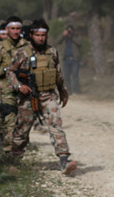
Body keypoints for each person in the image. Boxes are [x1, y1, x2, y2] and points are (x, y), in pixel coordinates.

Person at [7, 18, 75, 173]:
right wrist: (19, 86)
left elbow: (58, 73)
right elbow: (10, 72)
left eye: (43, 35)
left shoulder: (52, 52)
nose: (40, 38)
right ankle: (14, 161)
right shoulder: (22, 52)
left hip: (48, 95)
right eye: (37, 35)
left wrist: (63, 91)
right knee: (22, 130)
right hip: (28, 97)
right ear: (31, 35)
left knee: (55, 125)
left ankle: (64, 159)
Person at [0, 16, 28, 153]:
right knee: (9, 120)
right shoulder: (0, 47)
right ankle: (10, 151)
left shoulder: (27, 46)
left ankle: (18, 148)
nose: (15, 31)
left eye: (18, 28)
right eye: (13, 28)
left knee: (23, 121)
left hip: (24, 89)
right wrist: (5, 70)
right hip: (6, 89)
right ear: (7, 29)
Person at [58, 25, 81, 94]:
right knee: (66, 75)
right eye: (68, 31)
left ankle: (75, 90)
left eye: (70, 31)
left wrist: (72, 37)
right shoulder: (64, 38)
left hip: (74, 59)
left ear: (73, 31)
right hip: (65, 59)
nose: (69, 32)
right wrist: (63, 35)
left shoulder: (76, 36)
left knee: (75, 75)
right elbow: (57, 41)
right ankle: (68, 90)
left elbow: (79, 43)